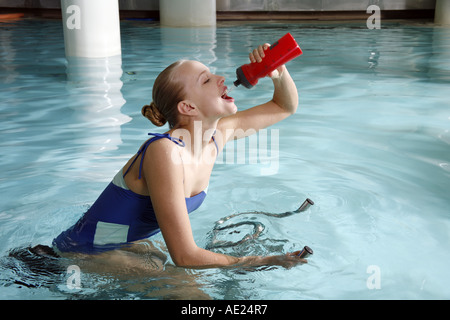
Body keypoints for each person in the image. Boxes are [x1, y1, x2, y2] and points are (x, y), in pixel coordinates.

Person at [51, 43, 306, 271]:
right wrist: (257, 262)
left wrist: (279, 73)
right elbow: (185, 256)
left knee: (181, 277)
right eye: (206, 80)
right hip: (84, 251)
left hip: (126, 244)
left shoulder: (218, 135)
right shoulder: (164, 151)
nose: (221, 78)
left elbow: (284, 106)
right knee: (189, 291)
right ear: (188, 108)